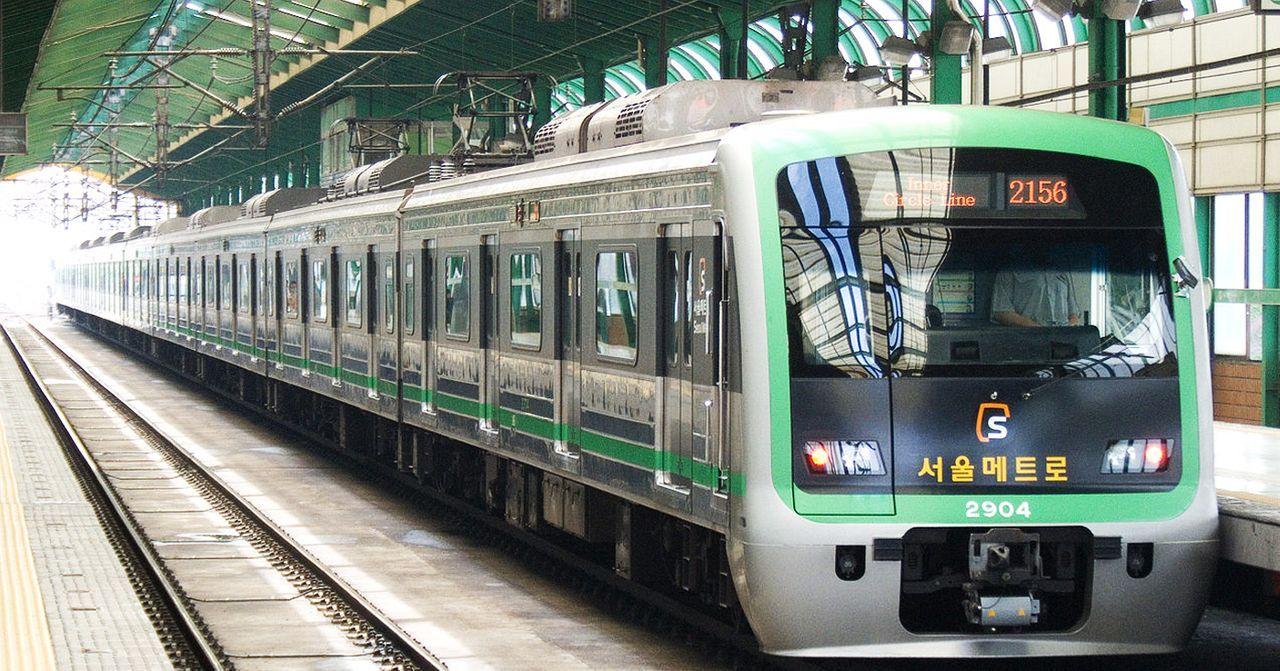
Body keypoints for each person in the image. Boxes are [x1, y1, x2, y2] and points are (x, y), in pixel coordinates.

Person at [990, 264, 1082, 327]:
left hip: (1061, 345)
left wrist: (1068, 333)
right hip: (1028, 341)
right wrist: (1039, 331)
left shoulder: (1062, 269)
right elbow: (1001, 312)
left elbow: (1073, 313)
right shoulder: (1009, 269)